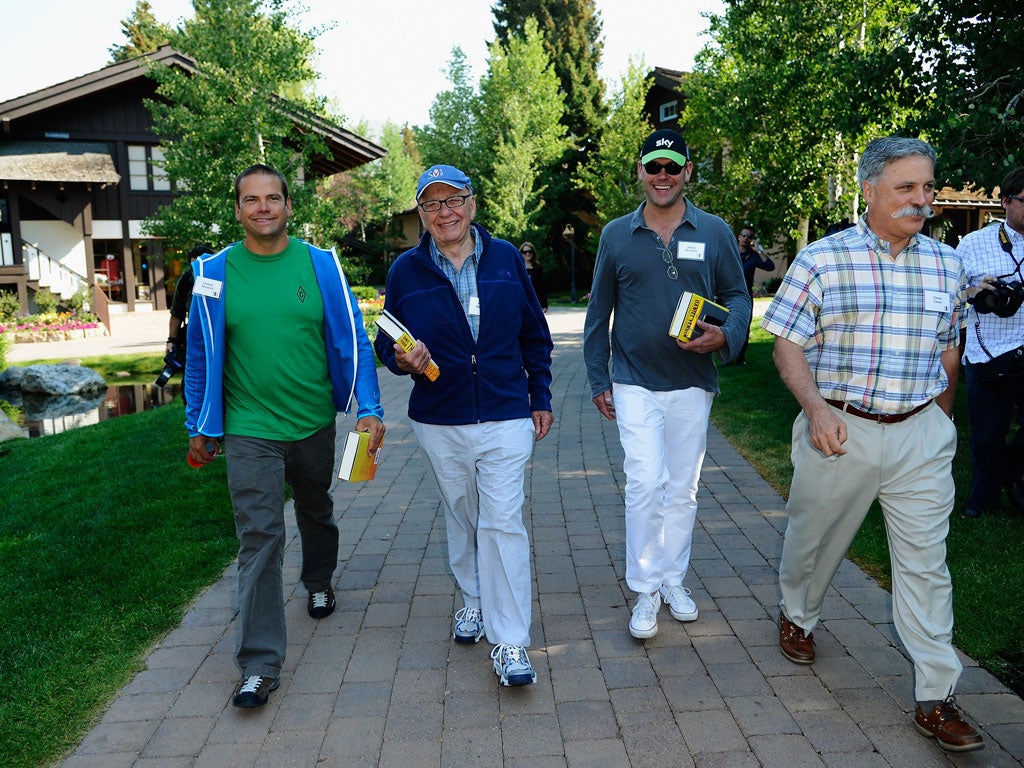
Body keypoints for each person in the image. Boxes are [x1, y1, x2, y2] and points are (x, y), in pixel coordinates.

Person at [760, 137, 983, 752]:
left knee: (926, 566)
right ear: (868, 190)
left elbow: (948, 347)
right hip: (841, 432)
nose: (922, 201)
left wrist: (940, 421)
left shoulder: (947, 264)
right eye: (906, 189)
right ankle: (798, 614)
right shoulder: (823, 260)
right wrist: (816, 410)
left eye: (928, 188)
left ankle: (936, 696)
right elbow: (786, 343)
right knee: (815, 542)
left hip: (920, 436)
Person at [184, 164, 385, 708]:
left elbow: (354, 339)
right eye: (251, 200)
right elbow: (199, 355)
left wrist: (369, 406)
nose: (263, 208)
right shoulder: (213, 272)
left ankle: (318, 578)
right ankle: (259, 664)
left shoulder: (320, 265)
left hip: (313, 420)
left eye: (273, 198)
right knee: (259, 537)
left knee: (316, 506)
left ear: (289, 206)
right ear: (238, 210)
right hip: (250, 428)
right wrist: (199, 424)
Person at [374, 164, 553, 687]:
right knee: (463, 513)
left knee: (502, 522)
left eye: (453, 200)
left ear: (472, 205)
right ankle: (473, 599)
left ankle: (511, 642)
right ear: (423, 216)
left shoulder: (504, 260)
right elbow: (388, 339)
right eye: (432, 205)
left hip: (504, 413)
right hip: (440, 417)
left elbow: (534, 335)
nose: (444, 211)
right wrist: (401, 360)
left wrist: (539, 394)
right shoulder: (406, 270)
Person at [582, 128, 751, 640]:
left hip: (692, 381)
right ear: (640, 172)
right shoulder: (615, 235)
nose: (662, 176)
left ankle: (672, 577)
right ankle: (645, 587)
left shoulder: (715, 231)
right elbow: (598, 313)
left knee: (682, 487)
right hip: (633, 378)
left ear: (687, 173)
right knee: (643, 481)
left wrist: (725, 338)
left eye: (671, 168)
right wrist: (597, 377)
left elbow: (739, 297)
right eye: (653, 167)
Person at [958, 166, 1024, 519]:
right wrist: (975, 291)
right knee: (987, 436)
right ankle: (982, 501)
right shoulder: (973, 244)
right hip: (988, 355)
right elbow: (954, 294)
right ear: (1005, 202)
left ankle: (1011, 473)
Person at [161, 244, 213, 396]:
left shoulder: (224, 278)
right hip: (195, 339)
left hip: (221, 337)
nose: (196, 270)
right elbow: (176, 314)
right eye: (193, 265)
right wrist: (172, 341)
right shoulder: (186, 280)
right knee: (192, 387)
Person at [733, 226, 775, 365]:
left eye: (749, 236)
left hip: (745, 295)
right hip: (727, 294)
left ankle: (740, 358)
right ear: (738, 236)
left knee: (744, 325)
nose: (746, 238)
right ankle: (726, 356)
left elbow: (770, 266)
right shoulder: (730, 251)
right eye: (743, 235)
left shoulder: (754, 256)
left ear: (751, 239)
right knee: (726, 324)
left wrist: (759, 250)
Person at [519, 241, 548, 310]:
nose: (528, 253)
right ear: (521, 253)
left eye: (530, 251)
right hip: (522, 301)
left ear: (533, 252)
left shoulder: (538, 268)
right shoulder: (518, 267)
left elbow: (542, 287)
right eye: (525, 252)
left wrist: (544, 305)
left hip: (536, 302)